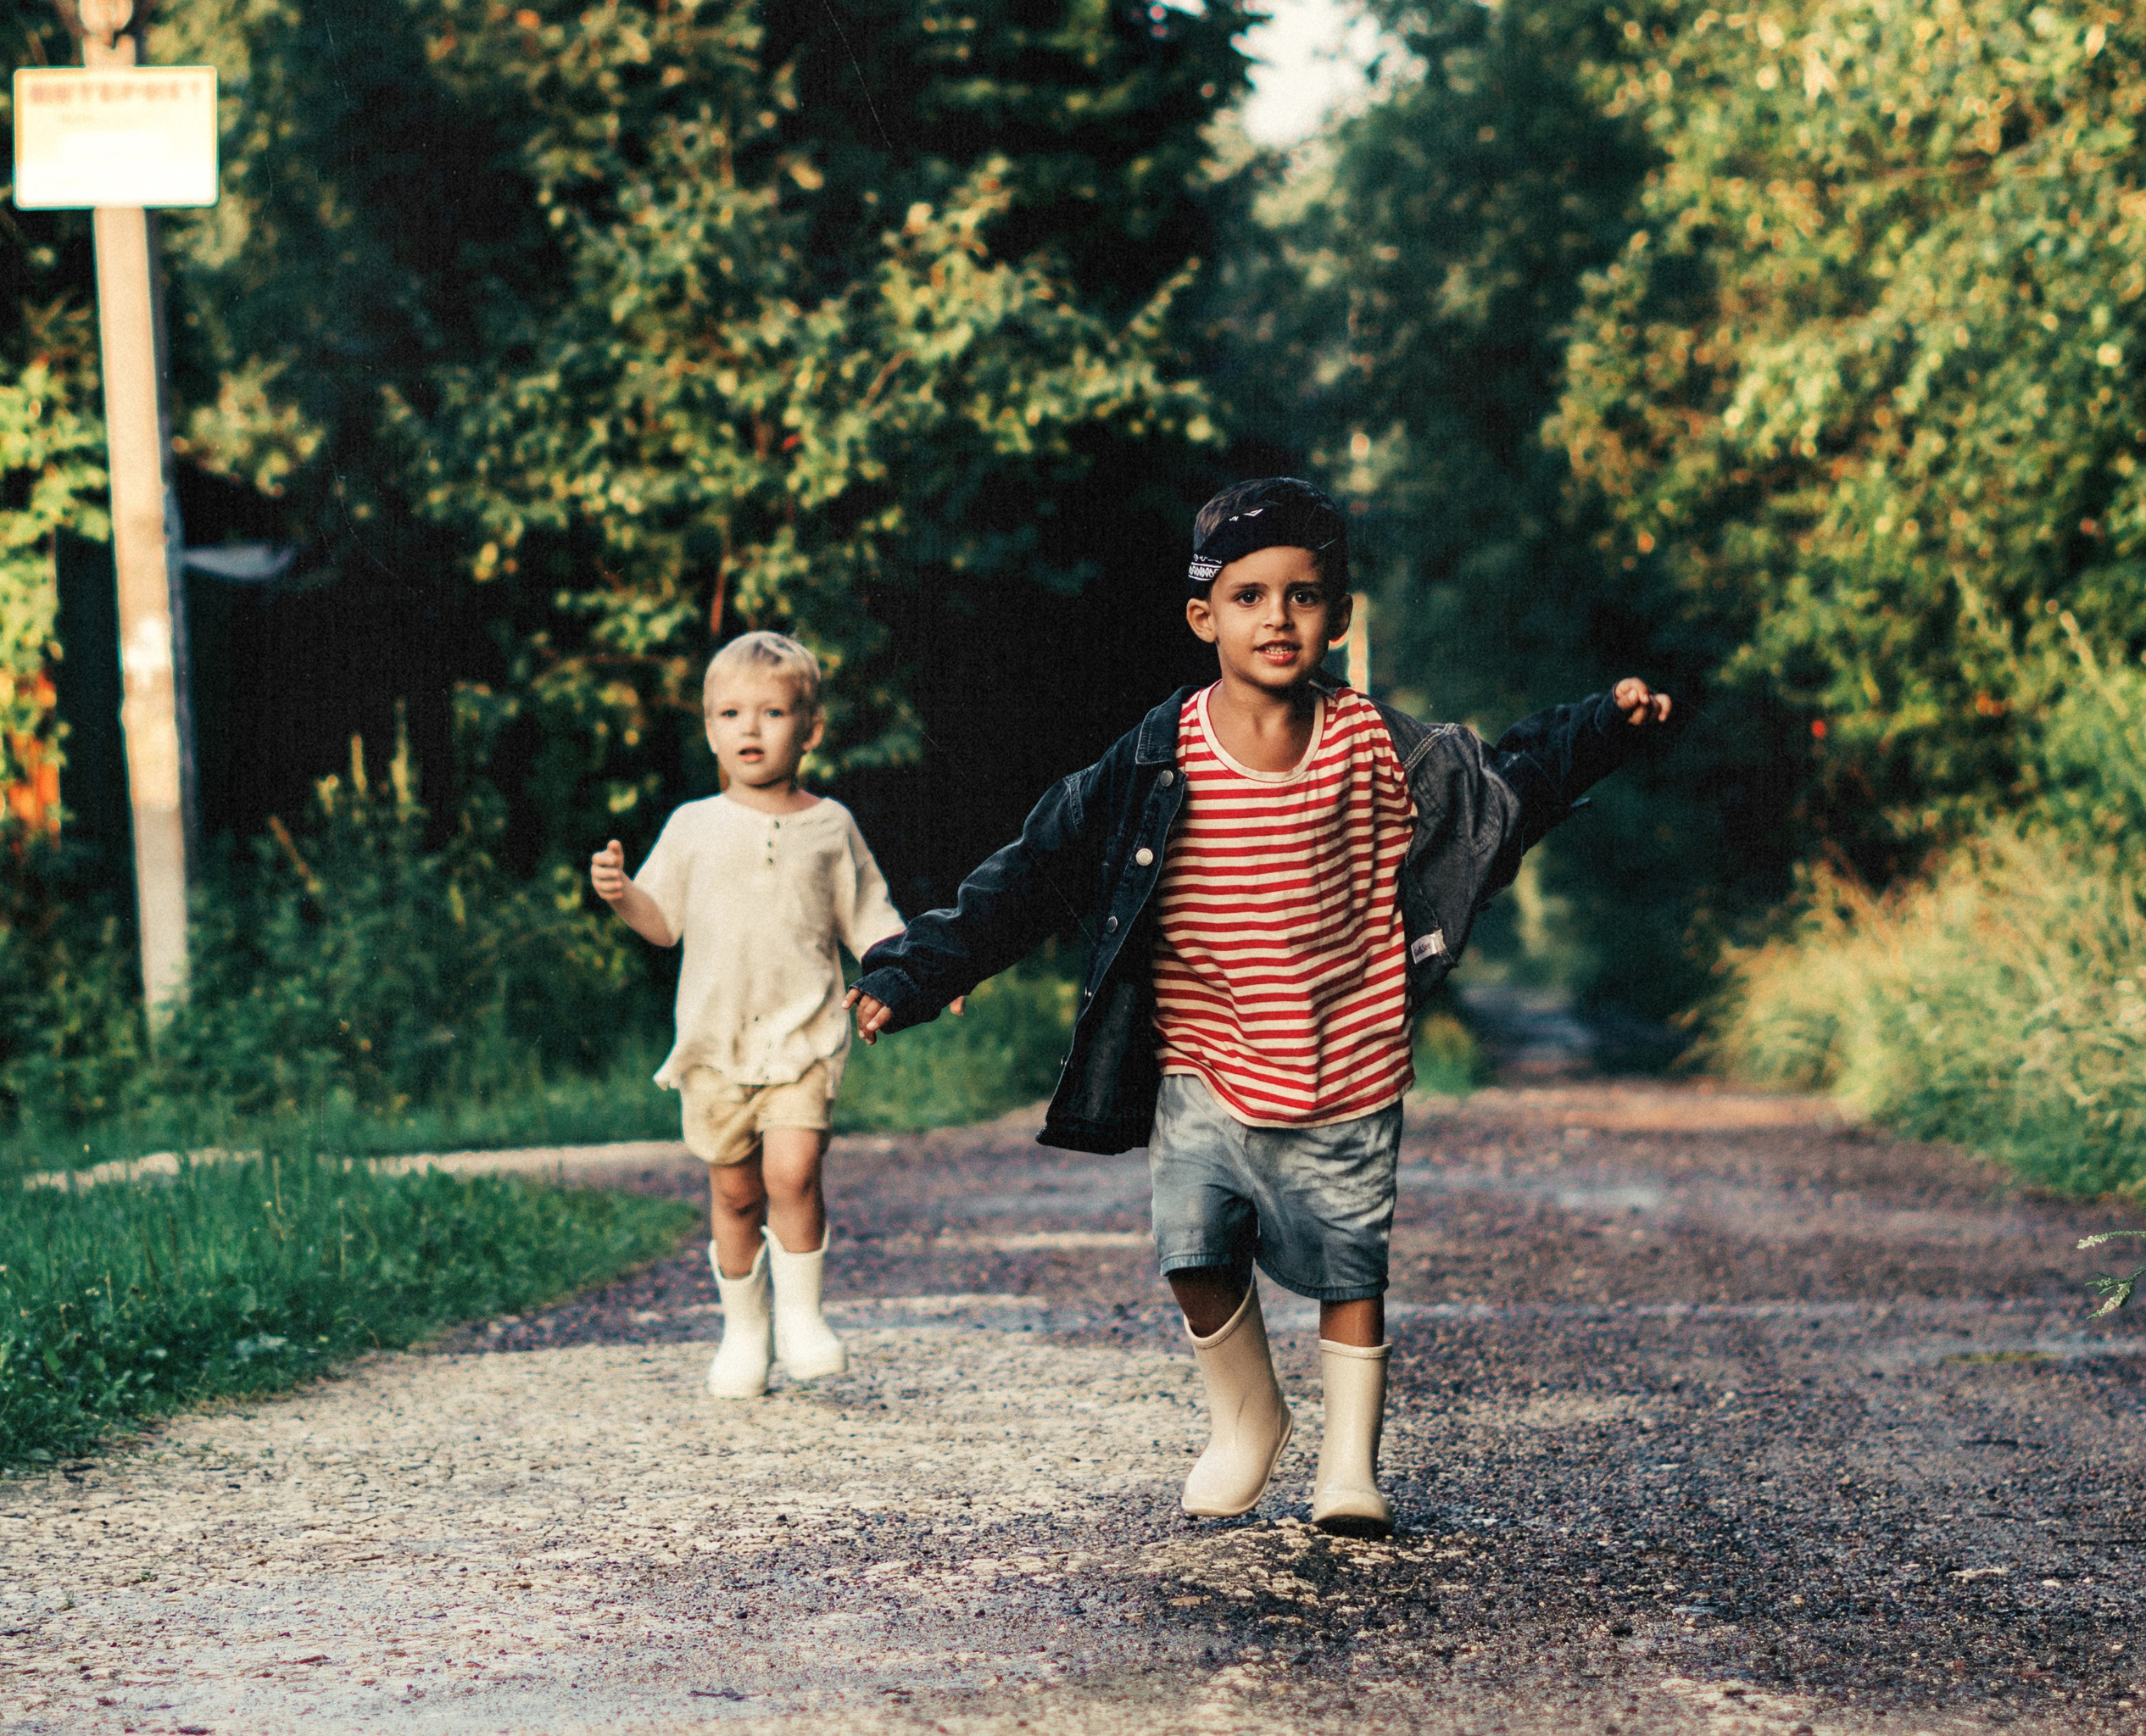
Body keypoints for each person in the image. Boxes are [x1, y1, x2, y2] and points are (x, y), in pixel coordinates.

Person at [844, 477, 1674, 1533]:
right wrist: (919, 968)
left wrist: (1601, 724)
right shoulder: (1159, 753)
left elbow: (1500, 791)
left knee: (1346, 1261)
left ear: (1339, 613)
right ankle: (1248, 1419)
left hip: (1349, 1052)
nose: (1276, 617)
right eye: (1248, 596)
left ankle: (1347, 1466)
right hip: (1202, 1054)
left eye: (1303, 594)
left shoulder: (1376, 745)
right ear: (1205, 617)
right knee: (1192, 1249)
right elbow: (1036, 866)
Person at [590, 631, 907, 1400]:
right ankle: (744, 1329)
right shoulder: (694, 825)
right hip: (715, 1043)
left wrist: (919, 969)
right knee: (734, 1193)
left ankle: (802, 1318)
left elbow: (870, 917)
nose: (751, 729)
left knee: (792, 1172)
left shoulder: (830, 826)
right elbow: (662, 921)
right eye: (732, 713)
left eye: (772, 712)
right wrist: (620, 892)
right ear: (710, 729)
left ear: (812, 729)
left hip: (803, 1035)